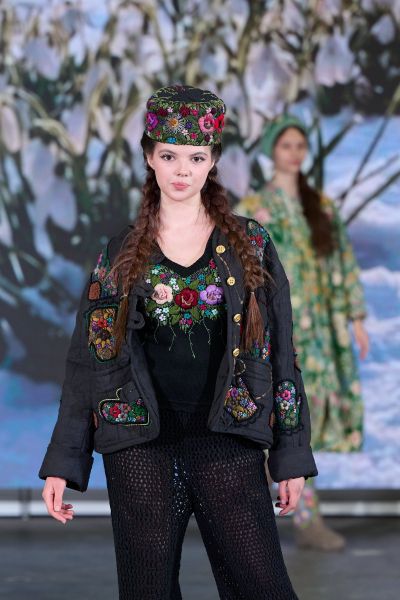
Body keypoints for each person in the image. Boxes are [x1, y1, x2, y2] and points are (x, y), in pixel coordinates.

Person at [39, 86, 318, 600]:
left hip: (228, 437)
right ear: (150, 157)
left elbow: (283, 353)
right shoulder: (120, 253)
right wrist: (64, 462)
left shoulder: (251, 244)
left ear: (213, 161)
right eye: (169, 156)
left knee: (263, 589)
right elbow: (87, 362)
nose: (182, 170)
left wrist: (291, 455)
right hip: (140, 447)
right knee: (147, 591)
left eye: (196, 157)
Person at [237, 114, 369, 551]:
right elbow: (245, 270)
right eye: (285, 145)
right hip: (275, 326)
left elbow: (342, 260)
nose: (293, 154)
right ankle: (272, 518)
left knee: (300, 422)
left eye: (300, 145)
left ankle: (303, 515)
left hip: (319, 328)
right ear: (271, 151)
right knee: (272, 415)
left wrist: (356, 317)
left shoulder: (321, 206)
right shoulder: (256, 207)